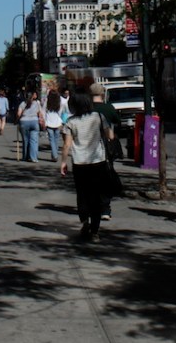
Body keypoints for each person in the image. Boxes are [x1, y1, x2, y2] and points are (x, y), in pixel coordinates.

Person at [61, 90, 114, 242]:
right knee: (96, 195)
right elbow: (110, 135)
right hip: (98, 161)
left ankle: (85, 222)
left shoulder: (71, 122)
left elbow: (67, 145)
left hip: (80, 163)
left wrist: (63, 163)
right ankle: (95, 231)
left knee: (82, 194)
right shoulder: (98, 117)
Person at [90, 82, 121, 220]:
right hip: (106, 146)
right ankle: (105, 209)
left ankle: (93, 206)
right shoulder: (108, 108)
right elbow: (117, 120)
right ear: (103, 94)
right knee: (106, 176)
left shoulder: (87, 108)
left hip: (89, 146)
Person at [17, 90, 44, 162]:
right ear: (32, 96)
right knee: (34, 141)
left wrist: (17, 119)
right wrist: (41, 120)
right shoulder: (37, 103)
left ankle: (25, 157)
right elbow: (40, 114)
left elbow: (19, 114)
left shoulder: (22, 104)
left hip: (24, 122)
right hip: (34, 122)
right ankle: (34, 158)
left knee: (25, 140)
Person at [44, 88, 64, 161]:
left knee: (51, 140)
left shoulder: (47, 101)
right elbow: (60, 113)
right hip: (58, 122)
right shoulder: (59, 102)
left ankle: (54, 155)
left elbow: (44, 112)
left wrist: (44, 122)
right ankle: (54, 154)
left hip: (49, 122)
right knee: (56, 140)